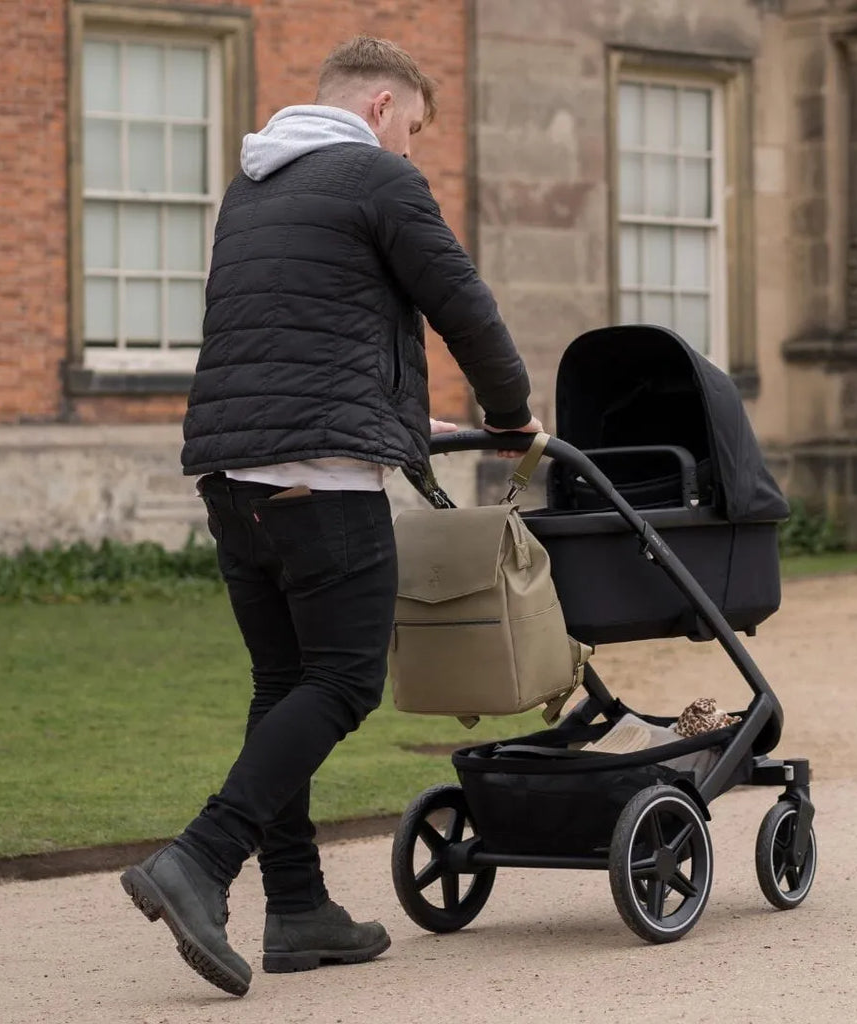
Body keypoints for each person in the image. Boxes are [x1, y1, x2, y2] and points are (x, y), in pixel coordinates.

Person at [119, 35, 541, 998]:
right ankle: (200, 857)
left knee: (284, 684)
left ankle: (300, 906)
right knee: (345, 682)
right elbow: (463, 307)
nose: (413, 157)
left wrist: (401, 421)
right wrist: (511, 416)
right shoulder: (377, 180)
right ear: (384, 108)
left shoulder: (256, 189)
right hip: (321, 484)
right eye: (415, 135)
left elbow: (302, 339)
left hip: (233, 476)